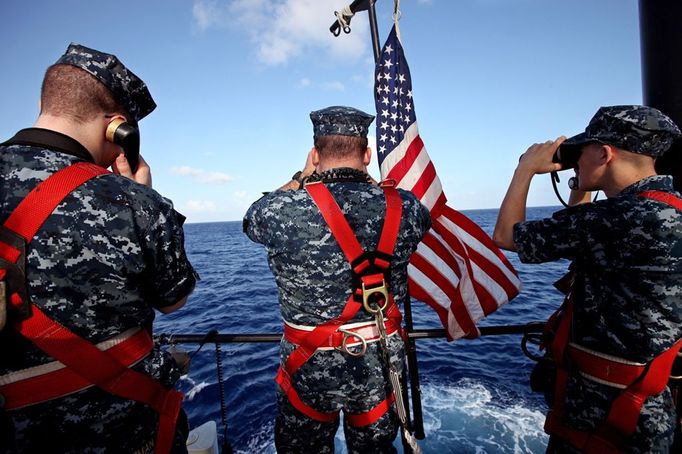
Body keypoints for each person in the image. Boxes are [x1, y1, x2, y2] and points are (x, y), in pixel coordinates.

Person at [0, 43, 197, 453]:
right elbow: (175, 298)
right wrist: (143, 195)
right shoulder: (133, 201)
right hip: (121, 431)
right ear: (118, 128)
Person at [493, 105, 682, 453]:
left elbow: (506, 235)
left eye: (581, 152)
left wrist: (524, 170)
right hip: (652, 403)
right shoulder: (668, 208)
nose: (576, 160)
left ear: (605, 153)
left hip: (599, 409)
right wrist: (581, 186)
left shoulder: (616, 217)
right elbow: (589, 236)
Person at [243, 106, 431, 453]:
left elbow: (251, 218)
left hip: (309, 365)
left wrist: (301, 177)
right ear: (368, 155)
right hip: (379, 363)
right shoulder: (407, 208)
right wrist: (371, 181)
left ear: (315, 155)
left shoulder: (278, 210)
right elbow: (421, 218)